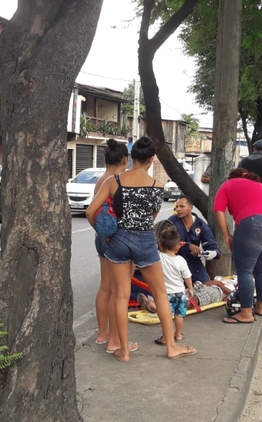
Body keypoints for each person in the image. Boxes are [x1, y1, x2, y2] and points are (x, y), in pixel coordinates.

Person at [86, 137, 197, 361]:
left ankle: (123, 350)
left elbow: (91, 212)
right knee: (160, 294)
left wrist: (106, 234)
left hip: (119, 240)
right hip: (146, 240)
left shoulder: (114, 180)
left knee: (120, 295)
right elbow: (152, 217)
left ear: (132, 157)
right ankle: (172, 347)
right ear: (151, 159)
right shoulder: (157, 185)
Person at [214, 168, 262, 324]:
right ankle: (260, 307)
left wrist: (227, 235)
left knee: (245, 270)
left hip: (253, 224)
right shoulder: (260, 185)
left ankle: (246, 313)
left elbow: (218, 210)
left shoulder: (228, 185)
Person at [139, 220, 233, 315]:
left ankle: (156, 306)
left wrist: (219, 285)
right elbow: (189, 277)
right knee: (187, 297)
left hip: (216, 291)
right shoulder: (180, 259)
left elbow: (231, 293)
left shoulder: (161, 256)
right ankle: (158, 306)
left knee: (193, 299)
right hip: (205, 287)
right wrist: (196, 287)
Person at [92, 139, 129, 348]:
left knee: (104, 287)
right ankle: (115, 340)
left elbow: (93, 212)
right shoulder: (117, 181)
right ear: (124, 160)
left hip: (100, 237)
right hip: (115, 239)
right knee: (118, 291)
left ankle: (102, 333)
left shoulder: (100, 180)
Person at [166, 195, 221, 283]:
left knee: (206, 283)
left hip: (192, 260)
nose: (178, 209)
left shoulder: (200, 224)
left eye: (182, 206)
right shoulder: (172, 221)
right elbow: (165, 240)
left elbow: (211, 244)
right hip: (173, 259)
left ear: (191, 208)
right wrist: (188, 246)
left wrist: (212, 253)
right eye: (177, 207)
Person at [155, 229, 193, 344]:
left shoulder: (160, 257)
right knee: (179, 315)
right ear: (177, 248)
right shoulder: (181, 260)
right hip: (180, 293)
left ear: (160, 246)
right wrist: (190, 288)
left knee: (167, 316)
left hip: (166, 294)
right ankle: (178, 334)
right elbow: (187, 276)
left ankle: (166, 337)